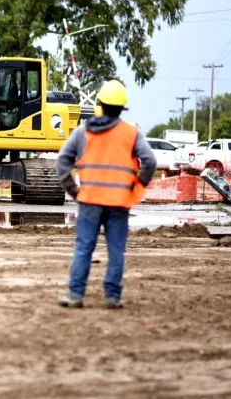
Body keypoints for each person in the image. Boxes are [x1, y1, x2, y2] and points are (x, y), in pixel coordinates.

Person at [56, 80, 157, 309]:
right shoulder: (131, 133)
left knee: (84, 248)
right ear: (122, 108)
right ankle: (112, 297)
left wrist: (73, 190)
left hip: (89, 200)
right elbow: (150, 161)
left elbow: (62, 161)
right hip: (119, 204)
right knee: (116, 250)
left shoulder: (83, 132)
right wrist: (136, 186)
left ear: (100, 104)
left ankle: (75, 295)